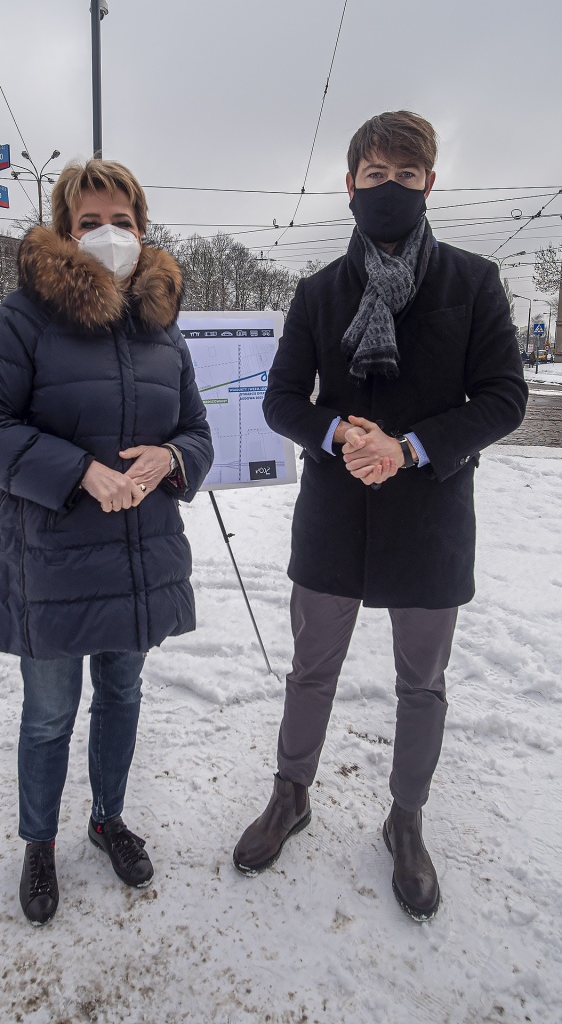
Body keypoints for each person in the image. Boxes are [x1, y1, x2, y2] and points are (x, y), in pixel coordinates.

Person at [233, 111, 527, 921]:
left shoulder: (471, 282)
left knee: (420, 682)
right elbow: (282, 399)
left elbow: (505, 397)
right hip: (333, 511)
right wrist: (337, 432)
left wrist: (412, 447)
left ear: (428, 182)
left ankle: (406, 818)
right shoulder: (318, 290)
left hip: (429, 514)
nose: (388, 189)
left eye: (405, 175)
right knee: (310, 668)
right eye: (373, 175)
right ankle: (290, 795)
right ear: (350, 185)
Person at [0, 159, 213, 926]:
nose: (108, 235)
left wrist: (174, 458)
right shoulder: (27, 317)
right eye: (89, 222)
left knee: (123, 694)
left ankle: (107, 818)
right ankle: (39, 842)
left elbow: (196, 430)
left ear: (143, 228)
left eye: (122, 221)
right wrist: (78, 473)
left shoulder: (162, 325)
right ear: (66, 232)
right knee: (48, 712)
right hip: (52, 557)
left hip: (138, 555)